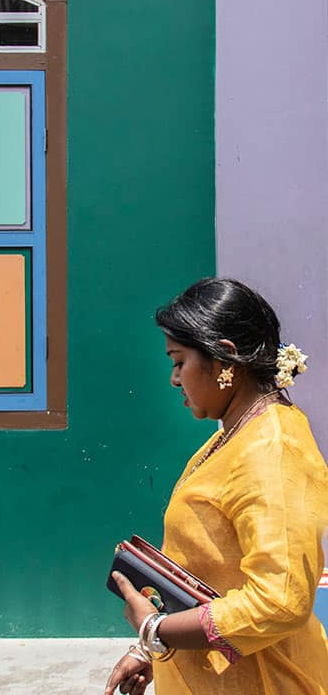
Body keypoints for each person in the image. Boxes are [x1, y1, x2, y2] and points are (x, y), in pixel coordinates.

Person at [105, 278, 328, 695]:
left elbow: (279, 600)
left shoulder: (273, 450)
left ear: (225, 358)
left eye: (178, 361)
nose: (174, 379)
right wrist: (151, 650)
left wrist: (156, 629)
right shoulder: (235, 433)